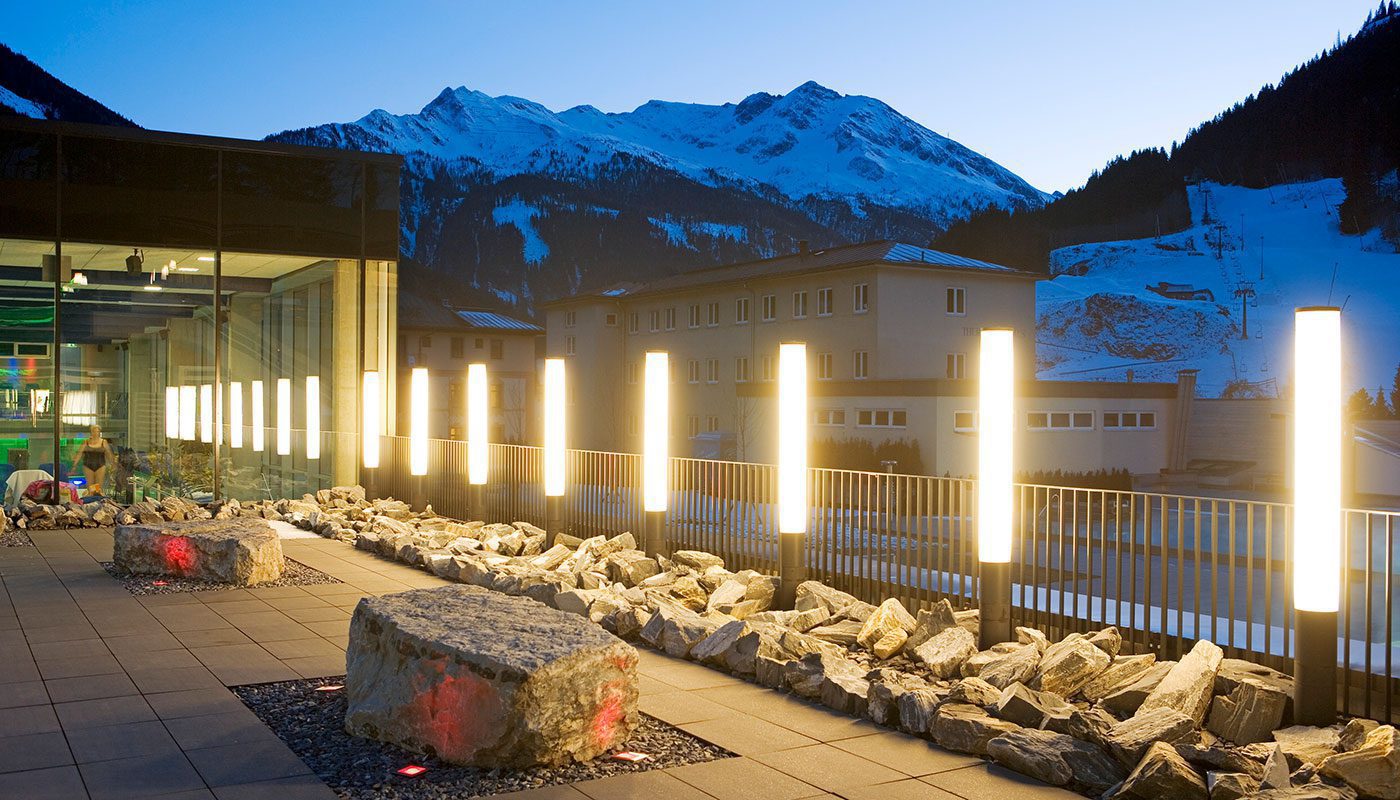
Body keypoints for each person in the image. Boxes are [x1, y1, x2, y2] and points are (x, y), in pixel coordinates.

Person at [70, 424, 113, 497]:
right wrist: (74, 465)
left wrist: (113, 464)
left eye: (97, 431)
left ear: (99, 432)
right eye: (94, 431)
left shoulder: (103, 442)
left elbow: (108, 454)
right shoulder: (86, 442)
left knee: (98, 488)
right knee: (90, 488)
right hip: (88, 465)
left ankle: (98, 501)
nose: (95, 433)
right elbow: (79, 453)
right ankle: (90, 502)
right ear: (91, 432)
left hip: (100, 465)